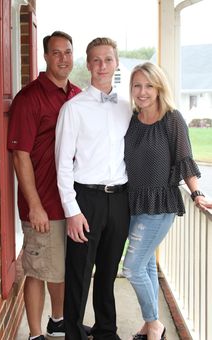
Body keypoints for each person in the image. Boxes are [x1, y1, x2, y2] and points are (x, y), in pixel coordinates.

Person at [122, 61, 212, 340]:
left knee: (132, 267)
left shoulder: (172, 119)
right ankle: (151, 325)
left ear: (159, 87)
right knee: (147, 264)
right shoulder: (133, 120)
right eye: (137, 85)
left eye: (149, 85)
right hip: (133, 202)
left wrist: (197, 193)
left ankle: (154, 325)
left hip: (160, 204)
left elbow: (185, 159)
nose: (142, 91)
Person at [55, 37, 132, 340]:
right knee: (79, 274)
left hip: (120, 200)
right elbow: (62, 165)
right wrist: (72, 211)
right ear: (87, 64)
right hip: (85, 199)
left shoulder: (127, 107)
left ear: (116, 63)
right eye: (96, 60)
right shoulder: (73, 109)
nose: (102, 66)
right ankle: (73, 333)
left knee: (108, 273)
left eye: (108, 59)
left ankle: (106, 332)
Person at [7, 31, 82, 340]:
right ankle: (36, 333)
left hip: (71, 204)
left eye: (67, 52)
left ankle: (58, 320)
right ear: (46, 57)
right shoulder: (30, 97)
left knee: (61, 268)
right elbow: (20, 155)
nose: (63, 58)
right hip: (43, 205)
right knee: (38, 270)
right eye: (56, 53)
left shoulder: (77, 94)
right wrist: (34, 205)